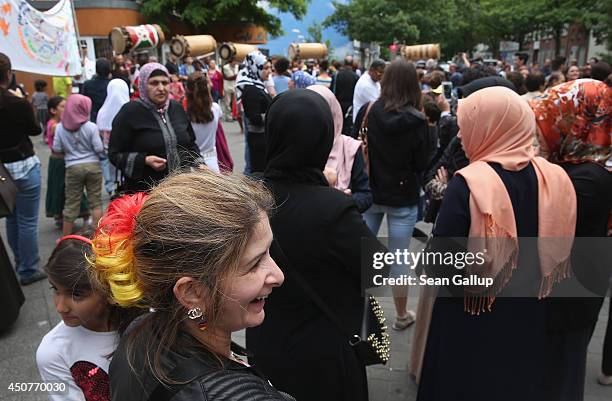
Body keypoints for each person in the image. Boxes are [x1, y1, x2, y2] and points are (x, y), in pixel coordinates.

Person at [416, 86, 577, 401]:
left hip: (469, 316)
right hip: (529, 310)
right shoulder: (555, 177)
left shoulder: (468, 184)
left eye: (467, 126)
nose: (462, 136)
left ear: (490, 127)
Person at [88, 172, 292, 400]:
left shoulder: (140, 331)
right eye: (255, 263)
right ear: (192, 292)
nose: (278, 275)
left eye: (268, 252)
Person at [246, 89, 376, 401]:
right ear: (322, 138)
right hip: (326, 349)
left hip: (266, 339)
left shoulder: (249, 199)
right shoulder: (332, 208)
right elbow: (379, 269)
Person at [529, 78, 612, 398]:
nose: (541, 131)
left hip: (567, 295)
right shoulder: (588, 164)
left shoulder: (586, 179)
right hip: (577, 287)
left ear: (577, 121)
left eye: (551, 120)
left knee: (557, 373)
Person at [357, 60, 428, 330]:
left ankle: (360, 313)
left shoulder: (370, 110)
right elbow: (422, 162)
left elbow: (356, 143)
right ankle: (400, 315)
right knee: (399, 259)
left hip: (371, 190)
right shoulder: (418, 120)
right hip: (403, 194)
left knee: (363, 253)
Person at [36, 233, 139, 401]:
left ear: (109, 289)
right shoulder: (53, 352)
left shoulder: (146, 322)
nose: (60, 307)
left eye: (76, 294)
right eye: (54, 289)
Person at [109, 63, 202, 193]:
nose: (161, 88)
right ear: (142, 84)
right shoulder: (129, 113)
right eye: (154, 83)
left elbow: (190, 143)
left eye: (165, 83)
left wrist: (200, 164)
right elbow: (114, 154)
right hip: (147, 194)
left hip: (183, 190)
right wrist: (144, 160)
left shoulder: (177, 108)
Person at [0, 52, 46, 285]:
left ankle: (20, 262)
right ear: (8, 74)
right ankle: (28, 269)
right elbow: (35, 130)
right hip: (24, 165)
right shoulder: (17, 103)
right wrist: (24, 102)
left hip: (2, 171)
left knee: (11, 218)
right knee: (27, 220)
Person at [307, 85, 373, 212]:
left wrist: (346, 203)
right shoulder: (293, 147)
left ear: (333, 115)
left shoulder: (349, 148)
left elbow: (365, 194)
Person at [52, 95, 104, 235]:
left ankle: (66, 239)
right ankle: (96, 238)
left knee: (71, 204)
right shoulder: (91, 127)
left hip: (72, 168)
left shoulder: (60, 128)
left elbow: (56, 149)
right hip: (93, 166)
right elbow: (99, 148)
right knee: (96, 202)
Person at [236, 51, 272, 174]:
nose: (269, 71)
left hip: (262, 139)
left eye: (270, 68)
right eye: (266, 68)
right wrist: (275, 115)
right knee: (256, 175)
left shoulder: (259, 86)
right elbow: (254, 117)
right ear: (255, 67)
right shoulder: (252, 90)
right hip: (258, 142)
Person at [96, 79, 130, 195]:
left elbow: (100, 129)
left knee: (108, 164)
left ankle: (111, 187)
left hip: (108, 148)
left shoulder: (103, 110)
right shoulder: (130, 109)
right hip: (127, 150)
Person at [186, 71, 222, 172]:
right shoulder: (216, 109)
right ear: (207, 87)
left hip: (193, 164)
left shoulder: (184, 114)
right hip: (212, 162)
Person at [334, 56, 359, 135]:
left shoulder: (338, 75)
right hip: (351, 105)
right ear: (352, 64)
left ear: (344, 63)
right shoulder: (356, 76)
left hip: (339, 103)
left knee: (339, 125)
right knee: (348, 127)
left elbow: (334, 90)